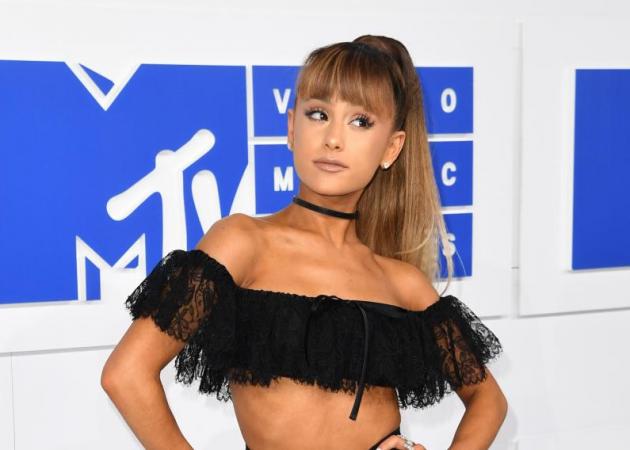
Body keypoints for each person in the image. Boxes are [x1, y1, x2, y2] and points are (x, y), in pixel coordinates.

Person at [101, 35, 507, 450]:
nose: (333, 138)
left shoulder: (402, 282)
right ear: (292, 128)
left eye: (360, 121)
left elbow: (489, 401)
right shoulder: (242, 243)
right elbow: (126, 374)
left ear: (391, 148)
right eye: (319, 114)